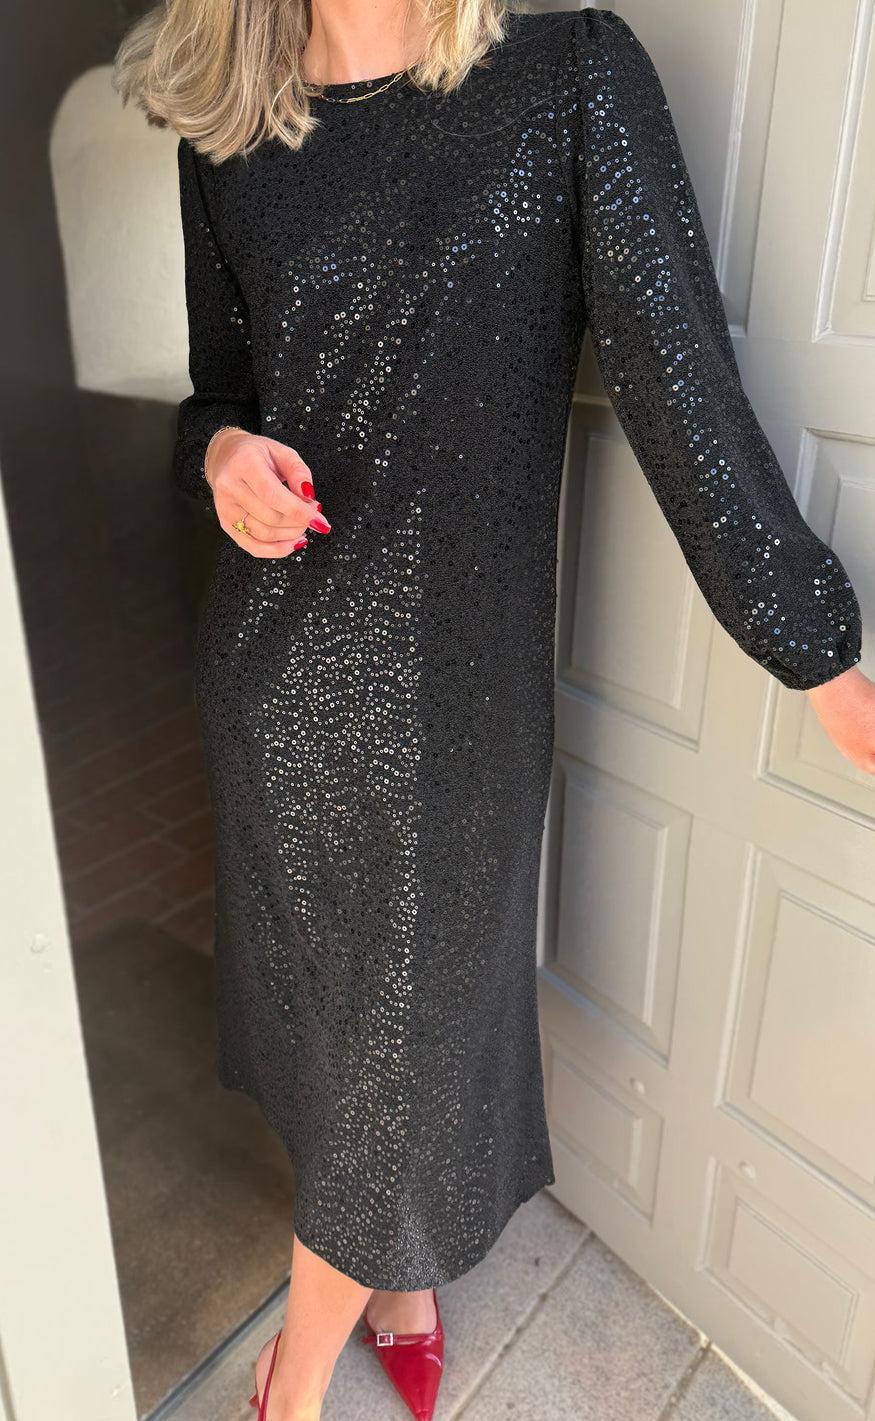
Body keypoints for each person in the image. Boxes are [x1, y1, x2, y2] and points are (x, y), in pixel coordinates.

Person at [114, 3, 872, 1417]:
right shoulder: (231, 131)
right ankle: (385, 1294)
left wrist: (817, 655)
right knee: (333, 1033)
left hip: (459, 708)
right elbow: (217, 397)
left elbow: (683, 393)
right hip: (276, 685)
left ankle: (293, 1374)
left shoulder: (568, 77)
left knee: (404, 1053)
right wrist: (220, 458)